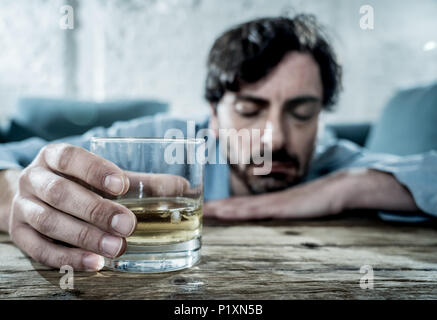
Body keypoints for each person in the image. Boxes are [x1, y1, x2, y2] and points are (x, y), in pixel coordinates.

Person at [0, 15, 436, 271]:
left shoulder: (335, 161)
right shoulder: (163, 142)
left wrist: (349, 187)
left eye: (302, 112)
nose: (275, 138)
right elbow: (17, 162)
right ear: (212, 114)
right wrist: (22, 196)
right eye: (249, 110)